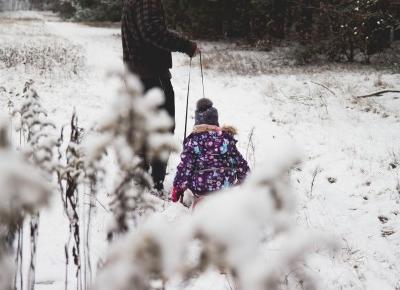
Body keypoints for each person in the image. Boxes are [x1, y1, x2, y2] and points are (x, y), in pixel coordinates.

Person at [121, 0, 199, 192]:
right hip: (151, 76)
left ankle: (142, 180)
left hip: (138, 75)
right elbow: (152, 32)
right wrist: (187, 45)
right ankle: (153, 183)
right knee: (162, 129)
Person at [171, 98, 250, 206]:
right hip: (225, 187)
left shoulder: (193, 141)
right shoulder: (226, 139)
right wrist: (245, 179)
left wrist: (178, 187)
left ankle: (196, 205)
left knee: (192, 179)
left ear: (197, 122)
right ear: (216, 121)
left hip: (202, 188)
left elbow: (185, 167)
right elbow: (240, 163)